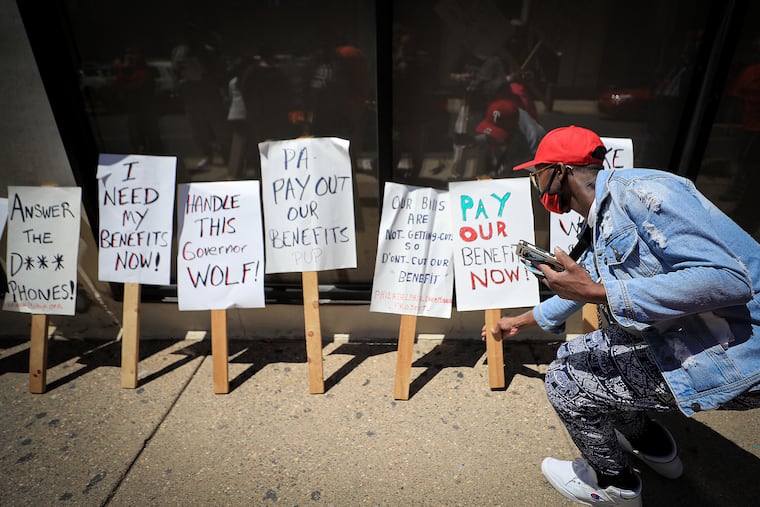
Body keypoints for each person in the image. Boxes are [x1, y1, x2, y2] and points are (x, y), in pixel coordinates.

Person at [483, 126, 760, 505]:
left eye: (537, 173)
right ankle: (656, 450)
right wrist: (520, 321)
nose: (536, 183)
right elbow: (591, 282)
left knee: (565, 380)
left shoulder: (645, 193)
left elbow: (728, 280)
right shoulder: (605, 213)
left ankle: (616, 487)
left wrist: (598, 292)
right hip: (706, 335)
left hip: (740, 353)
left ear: (560, 171)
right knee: (586, 352)